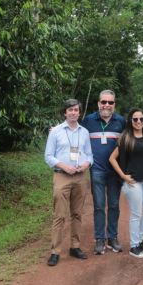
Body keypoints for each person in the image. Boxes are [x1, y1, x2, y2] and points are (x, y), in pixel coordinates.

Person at [43, 99, 93, 267]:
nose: (73, 112)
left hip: (79, 177)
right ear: (65, 113)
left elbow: (89, 155)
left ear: (79, 113)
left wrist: (86, 164)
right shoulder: (56, 131)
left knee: (77, 214)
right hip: (62, 176)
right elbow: (48, 156)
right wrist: (64, 166)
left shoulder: (84, 132)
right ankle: (55, 251)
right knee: (59, 215)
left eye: (76, 110)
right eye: (70, 110)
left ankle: (75, 246)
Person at [80, 89, 126, 255]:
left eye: (110, 102)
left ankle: (112, 237)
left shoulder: (121, 121)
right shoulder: (88, 121)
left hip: (115, 171)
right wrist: (56, 130)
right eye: (104, 102)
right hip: (97, 170)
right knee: (99, 206)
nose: (107, 105)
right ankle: (99, 238)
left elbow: (129, 142)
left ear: (114, 104)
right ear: (99, 103)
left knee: (114, 205)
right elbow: (75, 134)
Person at [108, 108, 143, 259]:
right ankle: (134, 246)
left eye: (141, 119)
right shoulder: (126, 138)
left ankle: (140, 239)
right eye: (135, 119)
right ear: (130, 121)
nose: (138, 122)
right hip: (133, 181)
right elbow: (112, 158)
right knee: (136, 214)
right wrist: (123, 176)